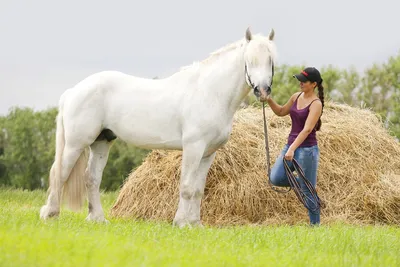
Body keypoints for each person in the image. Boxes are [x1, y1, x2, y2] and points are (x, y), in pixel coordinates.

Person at [261, 67, 324, 226]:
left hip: (307, 150)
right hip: (291, 145)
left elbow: (307, 129)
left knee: (308, 192)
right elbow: (281, 111)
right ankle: (305, 185)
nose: (300, 83)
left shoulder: (316, 104)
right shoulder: (296, 97)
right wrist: (268, 99)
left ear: (314, 84)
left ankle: (315, 227)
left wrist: (292, 149)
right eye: (300, 80)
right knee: (275, 177)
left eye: (304, 81)